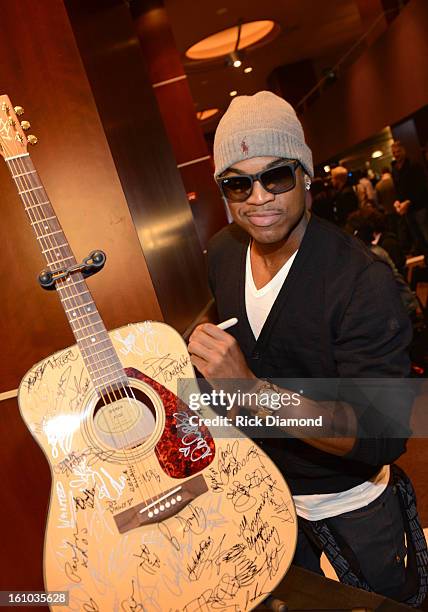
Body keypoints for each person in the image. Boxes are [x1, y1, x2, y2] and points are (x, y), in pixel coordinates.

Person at [188, 91, 426, 606]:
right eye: (238, 183)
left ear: (306, 174)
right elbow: (244, 328)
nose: (259, 198)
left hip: (350, 504)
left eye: (276, 176)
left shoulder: (361, 280)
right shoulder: (226, 253)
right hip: (260, 496)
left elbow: (380, 432)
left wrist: (252, 391)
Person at [391, 140, 428, 256]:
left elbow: (422, 188)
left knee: (425, 232)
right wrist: (397, 201)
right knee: (417, 237)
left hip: (419, 206)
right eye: (394, 152)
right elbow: (397, 189)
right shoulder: (395, 169)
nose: (396, 154)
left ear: (404, 151)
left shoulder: (414, 165)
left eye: (398, 151)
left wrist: (409, 201)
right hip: (406, 209)